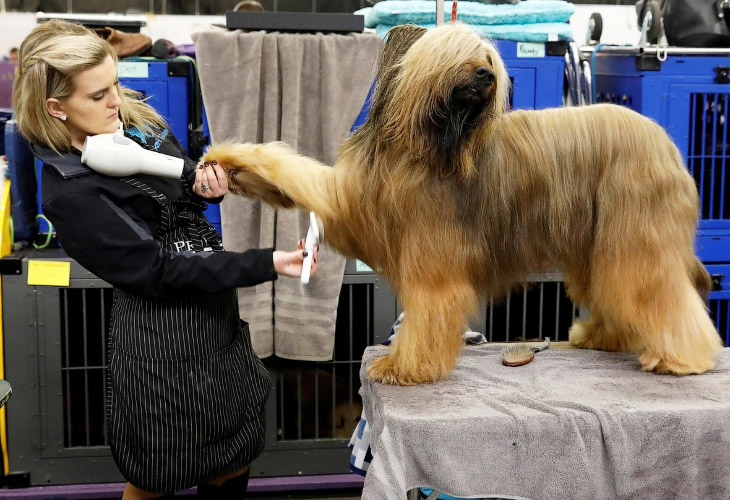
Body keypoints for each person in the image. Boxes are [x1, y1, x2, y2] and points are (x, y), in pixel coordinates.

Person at [12, 19, 318, 500]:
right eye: (97, 96)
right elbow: (158, 272)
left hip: (214, 322)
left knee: (229, 460)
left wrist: (202, 187)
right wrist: (268, 263)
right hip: (161, 344)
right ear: (56, 108)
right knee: (158, 472)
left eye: (114, 83)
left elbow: (181, 191)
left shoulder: (132, 120)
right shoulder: (69, 194)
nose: (115, 100)